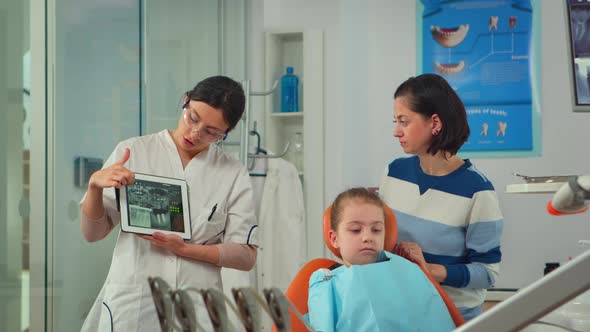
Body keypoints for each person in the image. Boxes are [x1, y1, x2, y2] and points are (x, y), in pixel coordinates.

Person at [79, 75, 258, 331]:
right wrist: (95, 186)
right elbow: (92, 234)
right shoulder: (134, 151)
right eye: (193, 117)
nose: (195, 133)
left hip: (197, 307)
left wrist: (186, 250)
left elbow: (246, 255)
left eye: (211, 132)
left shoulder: (232, 172)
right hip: (134, 302)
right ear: (185, 101)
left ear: (225, 134)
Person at [379, 73, 503, 320]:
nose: (396, 131)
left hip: (452, 317)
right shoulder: (394, 172)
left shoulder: (478, 191)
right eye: (395, 121)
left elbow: (486, 274)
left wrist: (430, 270)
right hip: (399, 311)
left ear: (434, 123)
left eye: (404, 121)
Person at [307, 188, 455, 332]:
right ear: (334, 238)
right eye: (355, 230)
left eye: (376, 230)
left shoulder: (409, 272)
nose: (368, 237)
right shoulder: (326, 283)